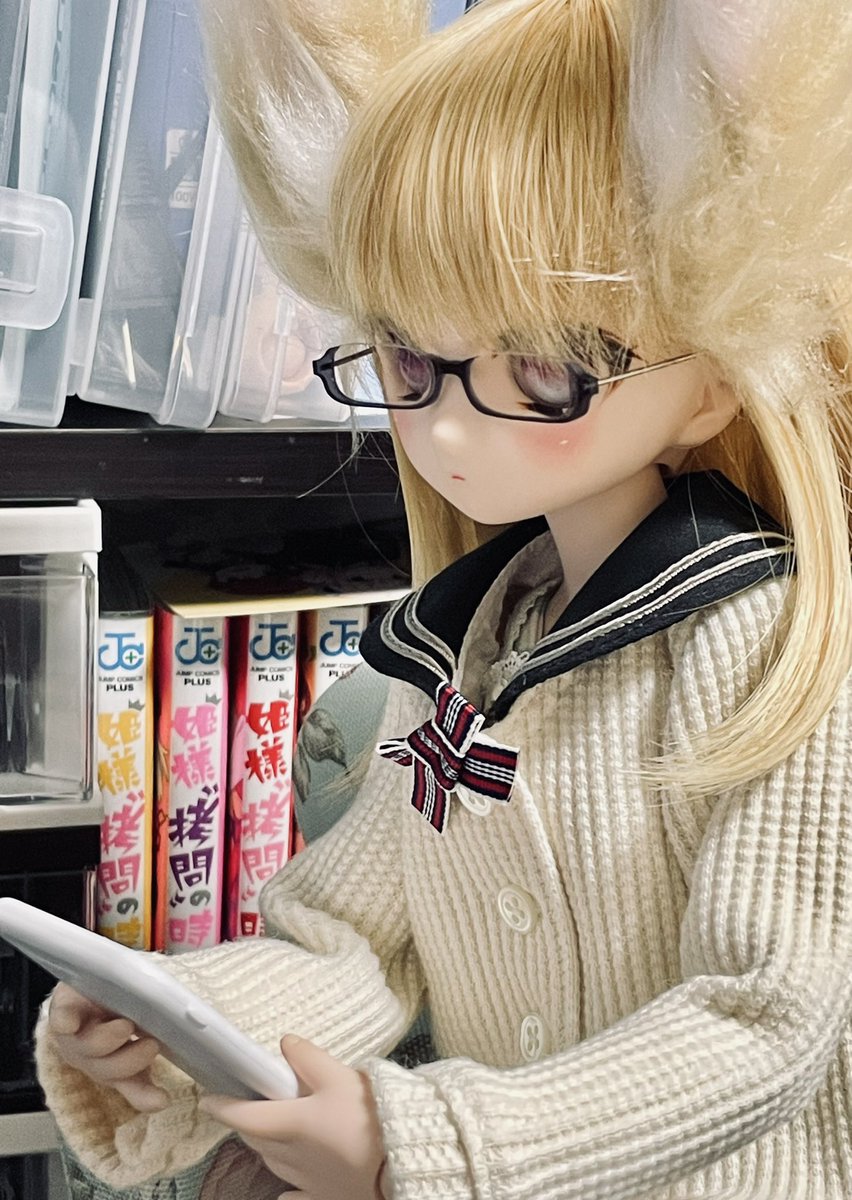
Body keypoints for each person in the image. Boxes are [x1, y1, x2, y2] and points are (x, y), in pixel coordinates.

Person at [37, 0, 852, 1196]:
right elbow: (358, 942)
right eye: (411, 361)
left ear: (712, 381)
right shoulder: (472, 648)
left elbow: (765, 1015)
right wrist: (182, 1028)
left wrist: (434, 1143)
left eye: (548, 369)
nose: (451, 429)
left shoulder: (758, 644)